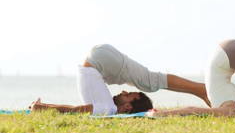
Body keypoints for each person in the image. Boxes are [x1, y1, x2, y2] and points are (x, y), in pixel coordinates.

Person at [29, 44, 210, 115]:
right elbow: (76, 110)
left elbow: (77, 109)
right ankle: (202, 89)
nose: (123, 90)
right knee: (150, 82)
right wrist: (41, 108)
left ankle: (201, 90)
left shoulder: (106, 107)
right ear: (129, 107)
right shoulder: (108, 108)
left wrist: (43, 107)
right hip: (102, 60)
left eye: (128, 94)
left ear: (128, 108)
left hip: (101, 60)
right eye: (129, 94)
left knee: (149, 81)